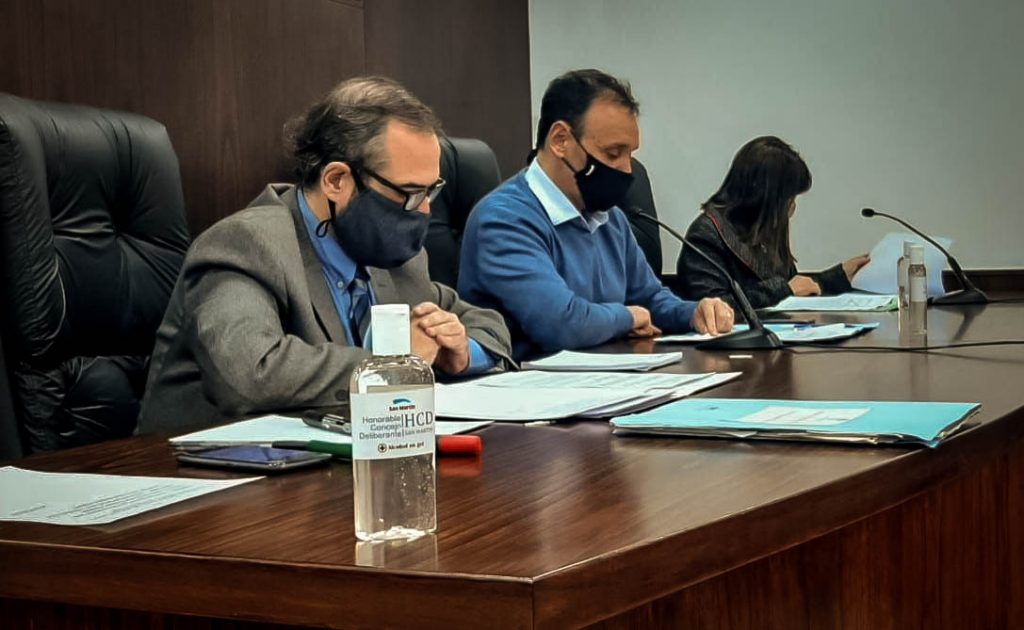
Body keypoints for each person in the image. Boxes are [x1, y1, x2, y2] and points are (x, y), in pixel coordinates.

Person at [139, 77, 513, 433]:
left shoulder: (394, 255)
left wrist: (461, 352)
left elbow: (486, 324)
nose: (425, 211)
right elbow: (250, 374)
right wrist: (390, 366)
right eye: (411, 193)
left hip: (343, 457)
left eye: (431, 192)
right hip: (192, 467)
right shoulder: (245, 244)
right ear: (336, 180)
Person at [458, 69, 733, 359]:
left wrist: (695, 312)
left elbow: (651, 299)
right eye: (613, 153)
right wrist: (628, 317)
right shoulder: (503, 219)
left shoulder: (611, 218)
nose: (627, 169)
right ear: (560, 140)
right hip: (531, 380)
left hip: (609, 373)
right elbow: (561, 324)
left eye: (630, 154)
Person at [676, 136, 870, 309]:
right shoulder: (706, 236)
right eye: (789, 199)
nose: (792, 208)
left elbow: (796, 284)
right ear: (765, 197)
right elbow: (712, 308)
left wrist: (838, 277)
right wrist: (783, 290)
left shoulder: (761, 230)